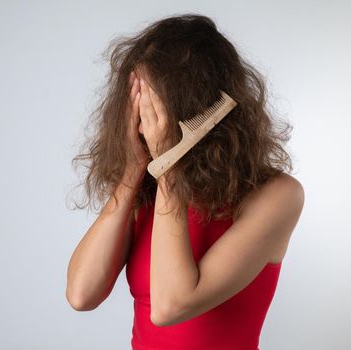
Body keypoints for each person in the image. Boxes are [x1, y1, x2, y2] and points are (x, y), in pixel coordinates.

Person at [66, 13, 304, 349]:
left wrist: (169, 165)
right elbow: (81, 294)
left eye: (154, 102)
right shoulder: (145, 190)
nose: (144, 116)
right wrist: (133, 170)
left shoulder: (278, 196)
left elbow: (171, 305)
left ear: (193, 103)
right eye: (136, 99)